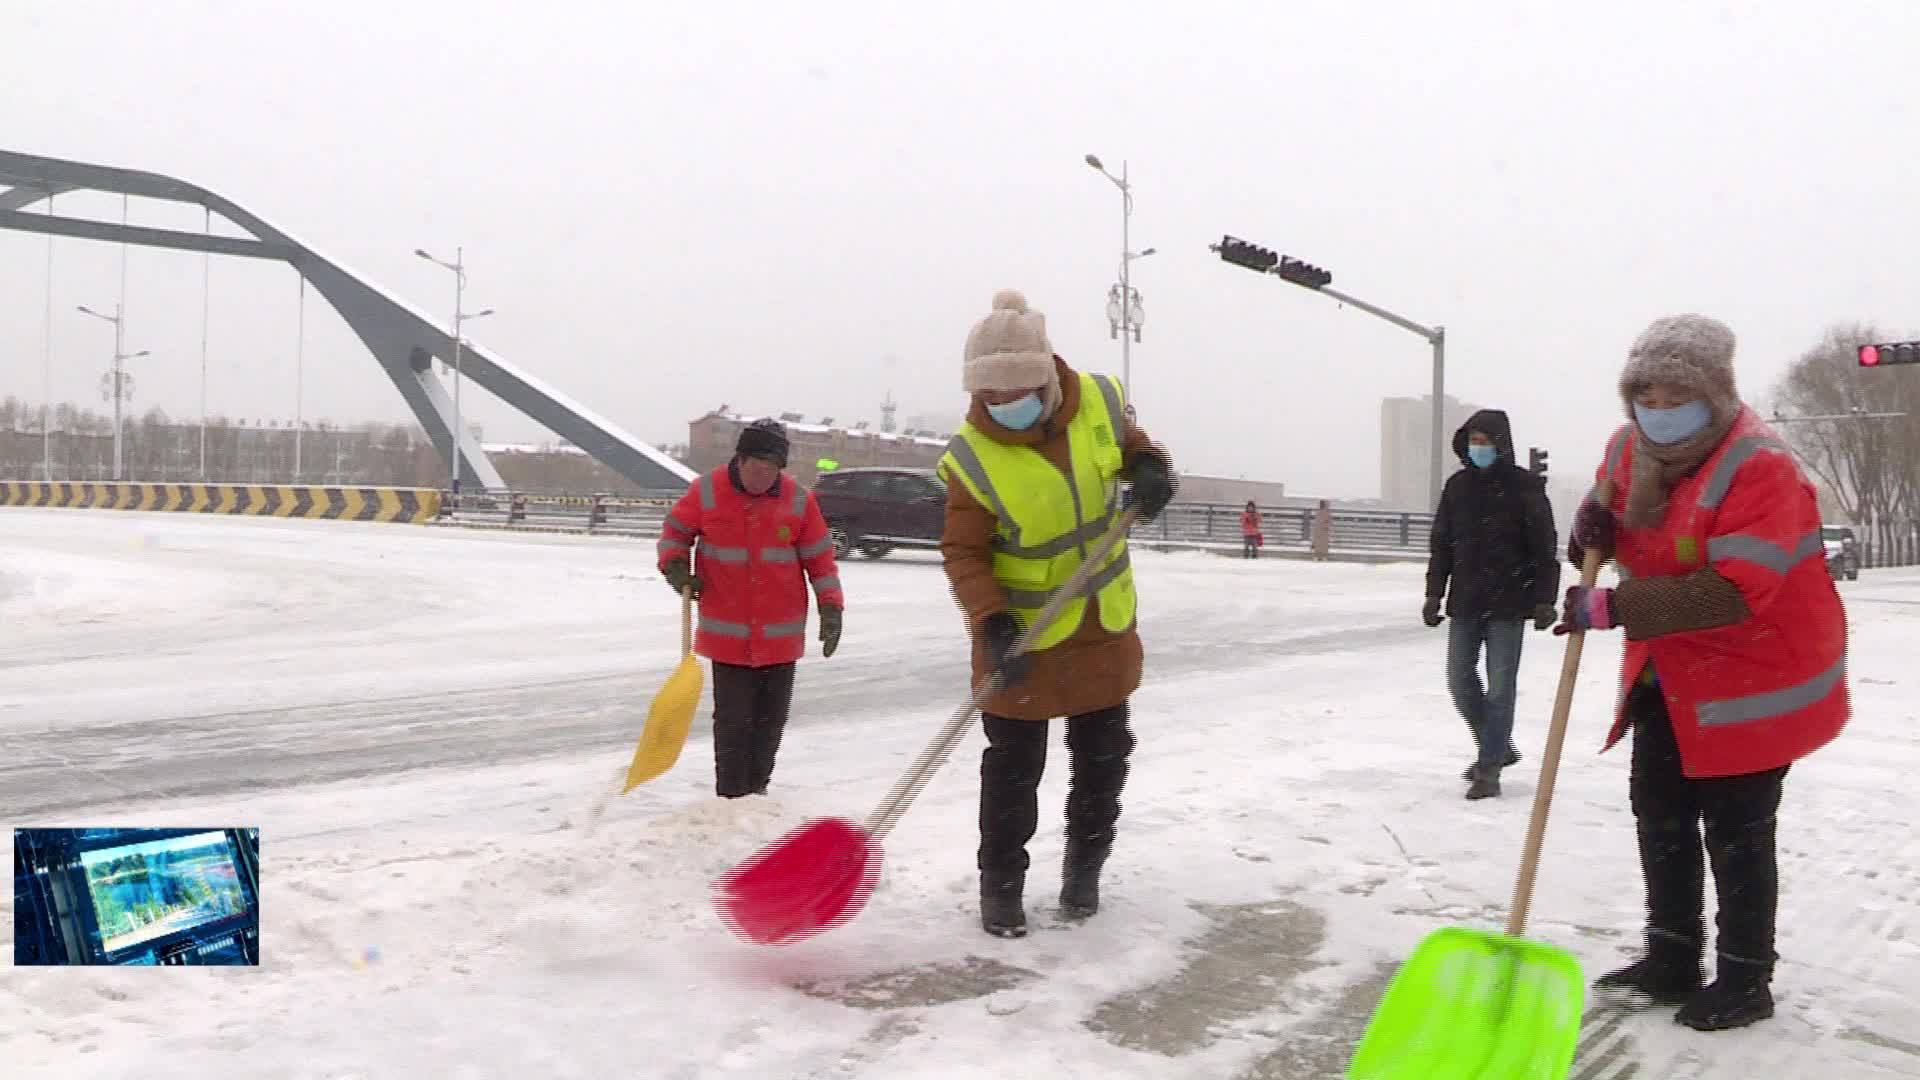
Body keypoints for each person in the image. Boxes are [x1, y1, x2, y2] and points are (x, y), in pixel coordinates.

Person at [1558, 313, 1847, 1031]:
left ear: (1715, 394)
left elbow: (1734, 590)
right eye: (1645, 398)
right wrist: (1589, 528)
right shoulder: (1629, 449)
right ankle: (1672, 955)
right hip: (1670, 670)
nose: (1658, 413)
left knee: (1738, 830)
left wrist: (1617, 606)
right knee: (1658, 812)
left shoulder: (1761, 467)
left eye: (1674, 397)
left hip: (1754, 674)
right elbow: (1604, 526)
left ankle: (1747, 979)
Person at [938, 289, 1176, 938]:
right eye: (989, 398)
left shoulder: (1095, 399)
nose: (1002, 407)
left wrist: (1150, 465)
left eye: (1014, 393)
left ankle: (1083, 877)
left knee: (1102, 764)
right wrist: (990, 618)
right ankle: (1002, 892)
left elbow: (1131, 447)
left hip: (1101, 627)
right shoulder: (971, 458)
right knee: (1012, 778)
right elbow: (963, 552)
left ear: (1046, 378)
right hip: (1020, 638)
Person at [656, 418, 846, 799]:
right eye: (758, 466)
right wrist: (676, 567)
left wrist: (831, 606)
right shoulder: (706, 491)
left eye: (773, 468)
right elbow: (674, 533)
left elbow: (820, 559)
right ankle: (730, 796)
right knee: (733, 721)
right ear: (740, 460)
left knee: (770, 721)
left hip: (781, 634)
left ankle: (757, 791)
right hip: (727, 633)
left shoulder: (796, 499)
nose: (765, 476)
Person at [1423, 409, 1562, 800]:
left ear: (1501, 444)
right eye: (1474, 441)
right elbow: (1441, 544)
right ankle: (1499, 747)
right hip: (1465, 601)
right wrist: (1434, 592)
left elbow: (1544, 546)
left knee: (1501, 688)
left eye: (1485, 441)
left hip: (1509, 602)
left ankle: (1489, 770)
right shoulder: (1457, 487)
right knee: (1459, 682)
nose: (1478, 448)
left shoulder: (1525, 487)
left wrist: (1544, 599)